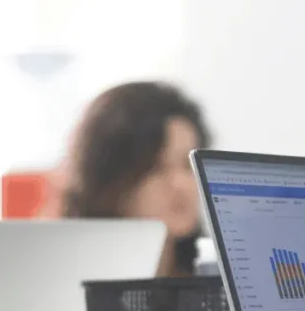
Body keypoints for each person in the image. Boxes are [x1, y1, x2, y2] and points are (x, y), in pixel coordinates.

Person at [52, 81, 213, 276]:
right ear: (108, 176)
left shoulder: (219, 281)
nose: (180, 184)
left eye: (189, 165)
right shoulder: (61, 278)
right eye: (157, 168)